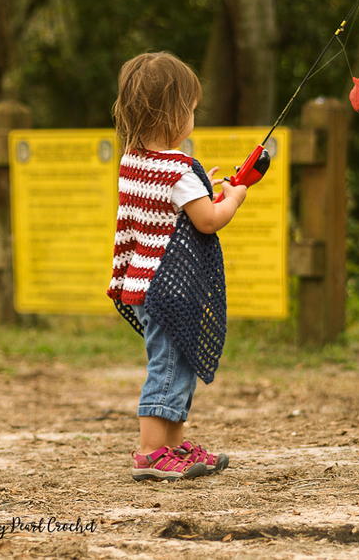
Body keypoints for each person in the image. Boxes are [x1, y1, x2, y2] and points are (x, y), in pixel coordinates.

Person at [106, 51, 247, 482]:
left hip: (144, 282)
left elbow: (169, 208)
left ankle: (173, 444)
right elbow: (207, 220)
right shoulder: (178, 169)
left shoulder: (134, 160)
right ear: (171, 112)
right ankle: (151, 452)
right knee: (168, 366)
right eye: (190, 109)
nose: (192, 117)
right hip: (169, 287)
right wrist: (234, 198)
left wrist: (202, 188)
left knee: (177, 362)